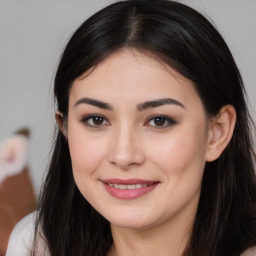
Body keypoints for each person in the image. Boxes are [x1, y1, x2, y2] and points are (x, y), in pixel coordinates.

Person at [6, 0, 256, 255]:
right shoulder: (36, 244)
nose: (124, 155)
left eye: (159, 120)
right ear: (65, 128)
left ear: (217, 132)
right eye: (96, 119)